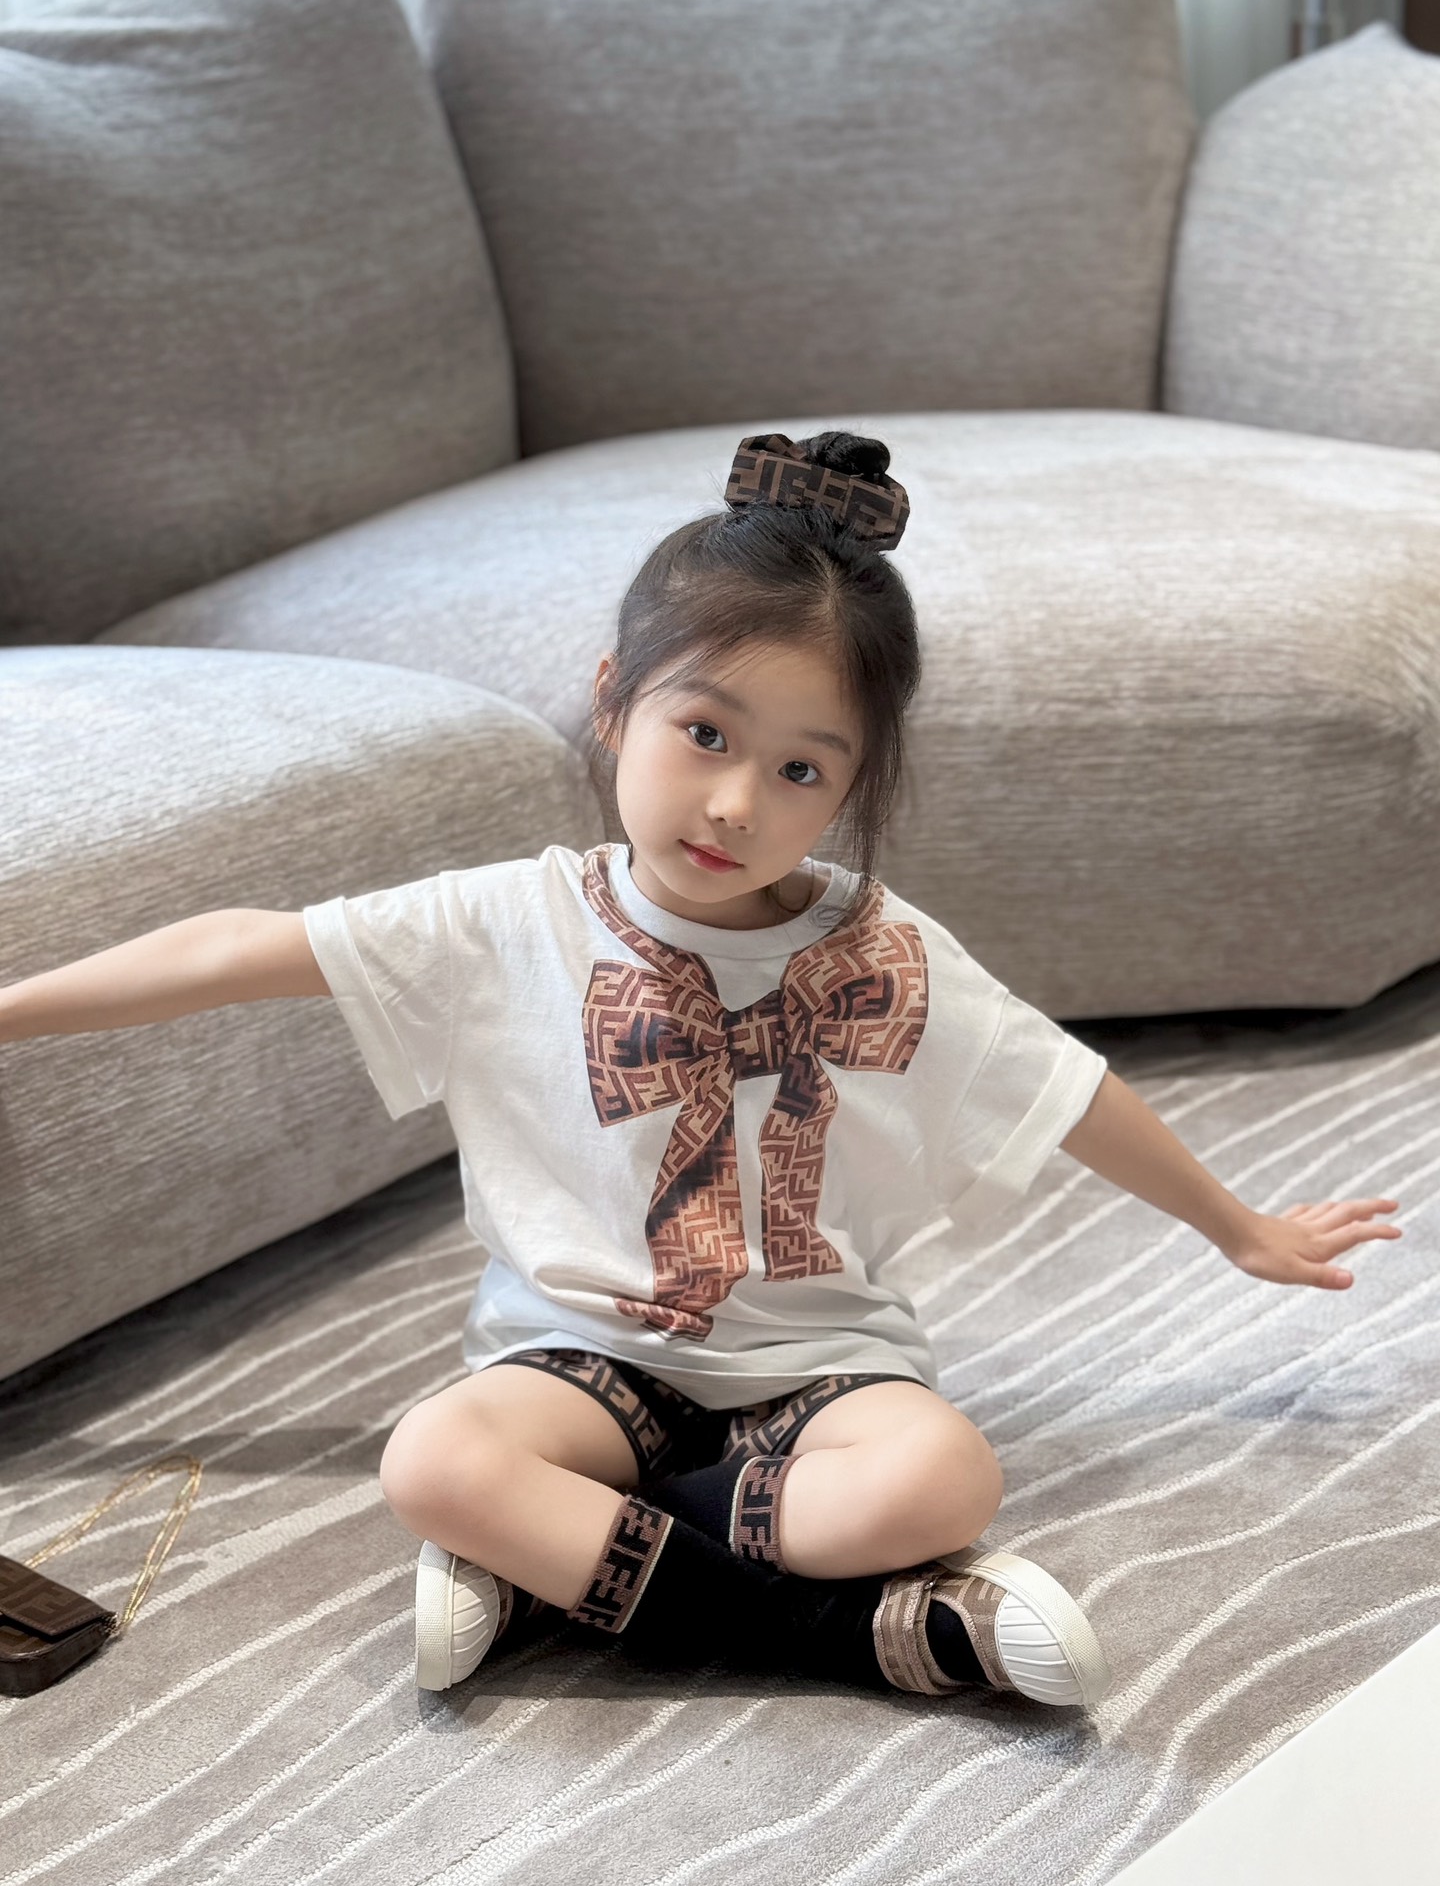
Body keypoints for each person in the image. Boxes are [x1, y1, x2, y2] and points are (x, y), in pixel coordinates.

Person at [0, 430, 1403, 1713]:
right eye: (707, 734)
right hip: (582, 1356)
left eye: (801, 772)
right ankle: (851, 1634)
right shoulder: (515, 919)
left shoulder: (880, 948)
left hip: (818, 1364)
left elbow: (1064, 1085)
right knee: (433, 1459)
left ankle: (560, 1563)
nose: (735, 803)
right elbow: (243, 945)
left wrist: (1240, 1228)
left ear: (852, 787)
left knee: (944, 1479)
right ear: (615, 704)